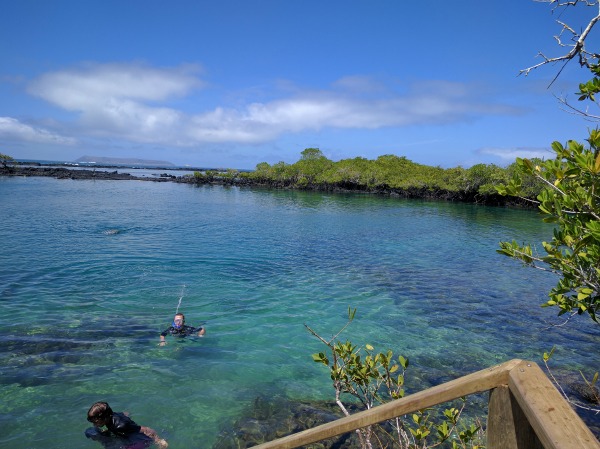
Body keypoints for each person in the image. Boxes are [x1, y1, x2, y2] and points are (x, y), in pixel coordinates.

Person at [85, 401, 168, 449]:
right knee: (90, 432)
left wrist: (158, 440)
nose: (94, 424)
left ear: (105, 417)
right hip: (127, 435)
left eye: (95, 421)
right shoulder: (112, 415)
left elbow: (144, 429)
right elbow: (126, 414)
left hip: (143, 440)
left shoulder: (120, 426)